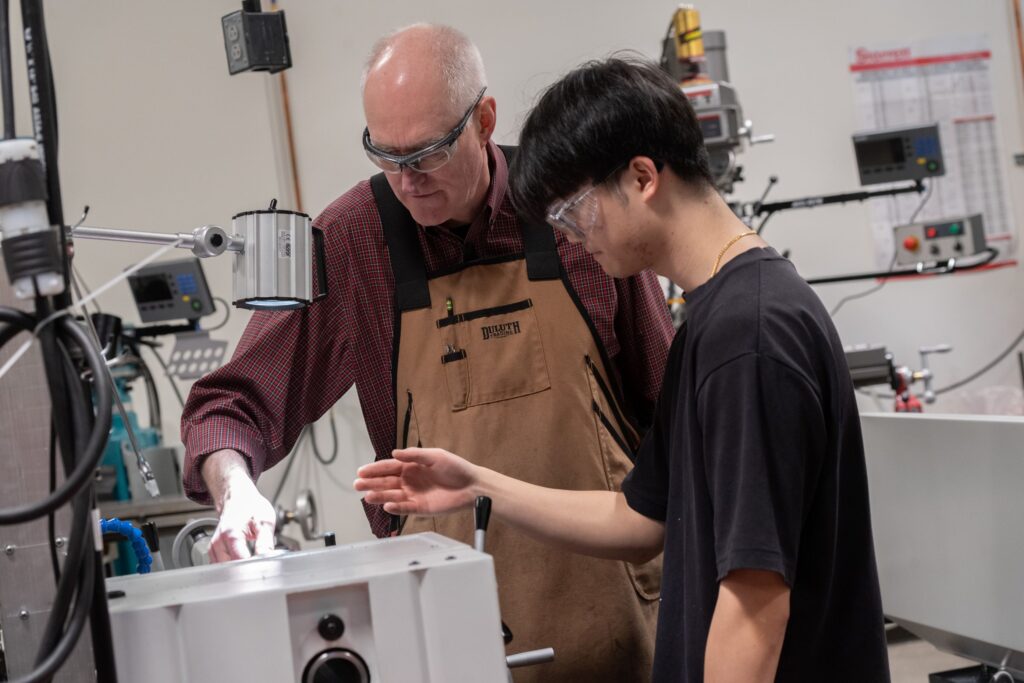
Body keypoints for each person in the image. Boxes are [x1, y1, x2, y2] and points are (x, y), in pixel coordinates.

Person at [354, 57, 891, 682]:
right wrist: (477, 485)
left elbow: (754, 602)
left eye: (574, 211)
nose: (573, 237)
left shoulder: (750, 334)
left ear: (642, 177)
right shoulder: (714, 322)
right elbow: (641, 521)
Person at [181, 25, 674, 682]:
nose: (405, 181)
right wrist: (235, 489)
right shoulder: (355, 240)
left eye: (427, 154)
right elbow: (232, 402)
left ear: (483, 121)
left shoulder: (579, 213)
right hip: (444, 648)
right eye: (384, 155)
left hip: (619, 637)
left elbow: (672, 409)